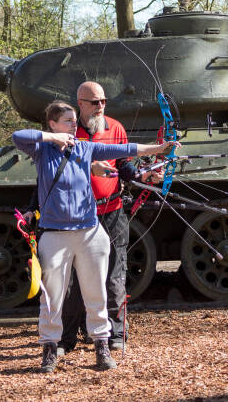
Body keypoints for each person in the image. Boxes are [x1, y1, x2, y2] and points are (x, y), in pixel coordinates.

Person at [12, 100, 178, 373]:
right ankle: (50, 348)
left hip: (90, 232)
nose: (73, 126)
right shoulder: (42, 149)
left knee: (96, 292)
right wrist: (54, 138)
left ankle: (101, 345)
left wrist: (159, 148)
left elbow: (124, 149)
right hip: (55, 234)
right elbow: (18, 137)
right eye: (67, 121)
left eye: (74, 121)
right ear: (52, 124)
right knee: (52, 296)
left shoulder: (84, 148)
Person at [59, 82, 161, 355]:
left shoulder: (115, 128)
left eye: (103, 101)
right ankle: (66, 338)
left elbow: (125, 166)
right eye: (95, 102)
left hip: (112, 212)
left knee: (115, 276)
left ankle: (116, 334)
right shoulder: (66, 132)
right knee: (72, 280)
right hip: (77, 216)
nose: (101, 106)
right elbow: (57, 167)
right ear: (80, 103)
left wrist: (142, 176)